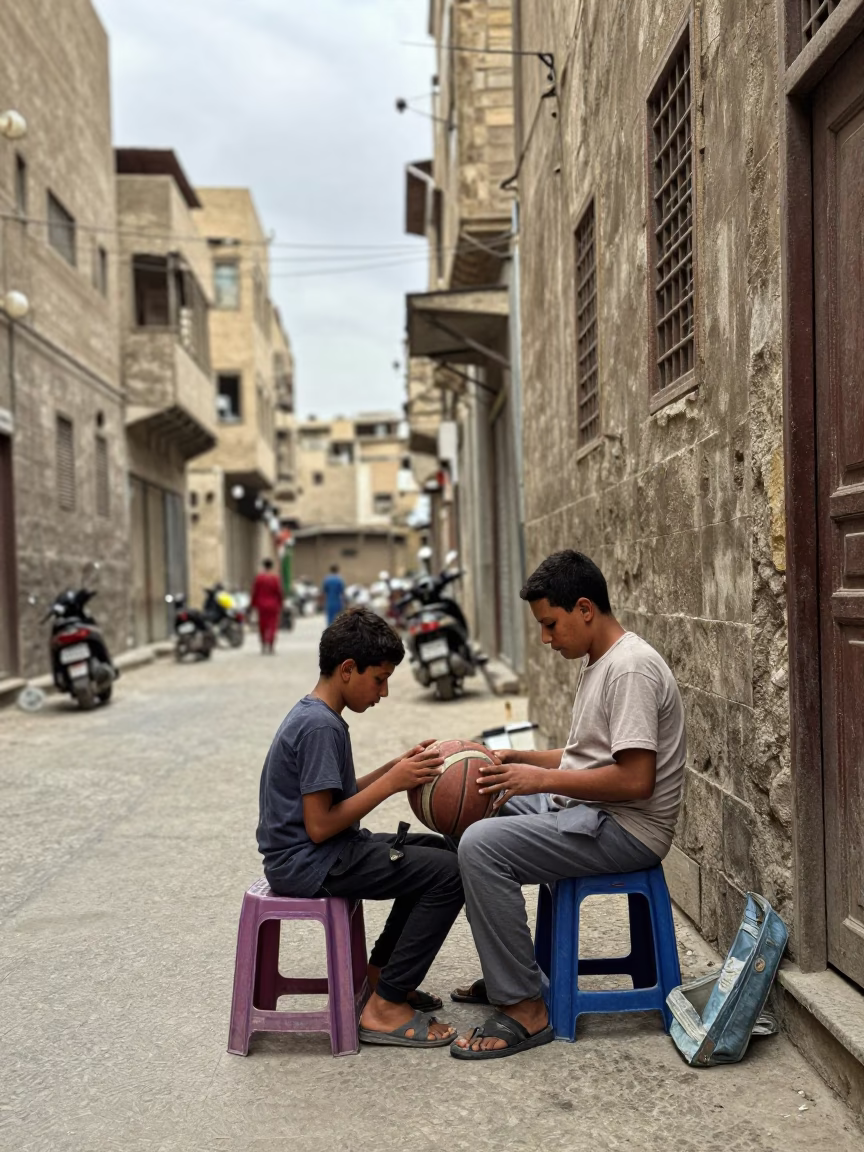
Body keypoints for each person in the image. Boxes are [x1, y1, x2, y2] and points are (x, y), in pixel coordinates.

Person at [450, 550, 686, 1060]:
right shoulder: (600, 662)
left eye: (550, 624)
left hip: (626, 830)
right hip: (587, 813)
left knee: (480, 846)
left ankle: (525, 1007)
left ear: (585, 608)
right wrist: (519, 758)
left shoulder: (630, 670)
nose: (545, 638)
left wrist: (539, 779)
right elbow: (587, 757)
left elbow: (636, 780)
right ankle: (514, 971)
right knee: (469, 805)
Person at [257, 606, 463, 1048]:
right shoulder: (318, 727)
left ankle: (383, 978)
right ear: (347, 669)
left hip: (320, 853)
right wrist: (392, 783)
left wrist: (395, 767)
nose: (384, 691)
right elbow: (319, 825)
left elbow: (337, 799)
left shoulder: (318, 716)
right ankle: (385, 1008)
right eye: (379, 678)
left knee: (441, 851)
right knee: (450, 875)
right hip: (310, 861)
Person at [250, 558, 284, 654]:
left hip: (261, 605)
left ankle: (263, 644)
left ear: (263, 566)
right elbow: (279, 592)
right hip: (273, 605)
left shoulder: (259, 578)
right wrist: (281, 604)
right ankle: (271, 645)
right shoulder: (275, 578)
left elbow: (254, 592)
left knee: (262, 625)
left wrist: (252, 604)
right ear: (271, 566)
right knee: (272, 625)